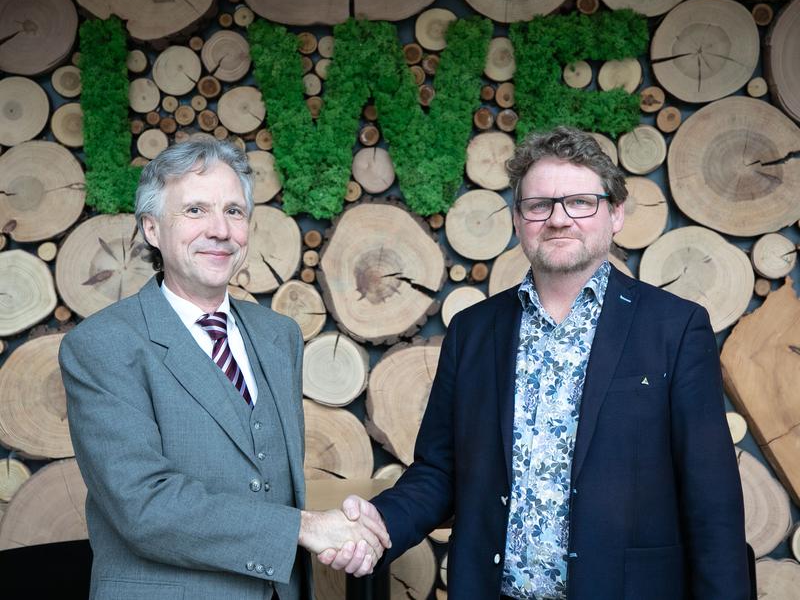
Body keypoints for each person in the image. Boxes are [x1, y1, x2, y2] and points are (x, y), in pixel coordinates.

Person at [322, 127, 750, 599]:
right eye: (539, 205)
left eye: (581, 202)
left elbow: (712, 501)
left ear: (616, 213)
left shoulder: (675, 328)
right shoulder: (473, 331)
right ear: (518, 218)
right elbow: (439, 472)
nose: (559, 219)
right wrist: (381, 521)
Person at [59, 138, 388, 599]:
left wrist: (350, 530)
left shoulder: (280, 336)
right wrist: (305, 527)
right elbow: (144, 506)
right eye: (195, 210)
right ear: (152, 228)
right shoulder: (102, 345)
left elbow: (267, 475)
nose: (220, 230)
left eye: (234, 211)